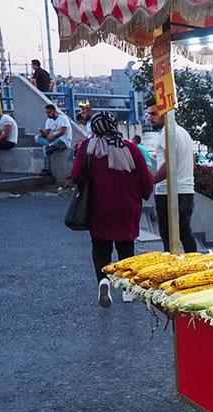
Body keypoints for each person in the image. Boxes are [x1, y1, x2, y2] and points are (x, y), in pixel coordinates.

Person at [70, 112, 153, 307]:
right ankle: (126, 289)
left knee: (100, 248)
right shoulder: (131, 148)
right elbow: (146, 180)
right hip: (127, 207)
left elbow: (75, 175)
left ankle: (104, 280)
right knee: (126, 247)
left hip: (99, 208)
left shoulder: (87, 148)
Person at [145, 97, 197, 253]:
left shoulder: (166, 133)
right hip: (187, 189)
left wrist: (150, 181)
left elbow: (170, 164)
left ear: (165, 113)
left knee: (168, 236)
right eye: (149, 114)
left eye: (154, 114)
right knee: (185, 233)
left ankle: (172, 267)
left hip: (168, 192)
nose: (150, 118)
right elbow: (192, 162)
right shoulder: (184, 133)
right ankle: (195, 264)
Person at [35, 104, 72, 175]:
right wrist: (42, 133)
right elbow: (46, 134)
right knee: (39, 139)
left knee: (52, 145)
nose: (47, 114)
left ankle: (51, 146)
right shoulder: (48, 121)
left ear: (54, 111)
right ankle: (47, 169)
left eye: (49, 112)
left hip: (64, 141)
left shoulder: (63, 118)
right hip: (54, 141)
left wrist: (53, 136)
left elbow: (62, 132)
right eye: (46, 112)